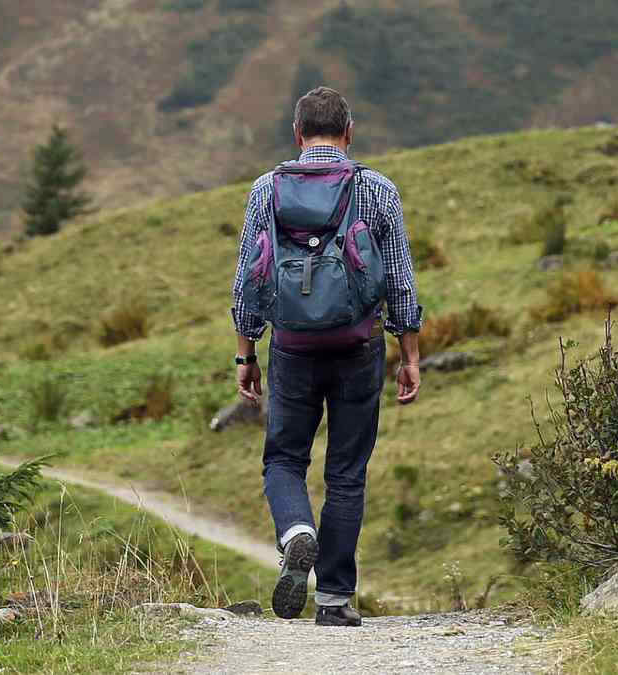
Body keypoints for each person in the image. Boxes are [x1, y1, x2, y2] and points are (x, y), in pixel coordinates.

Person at [230, 87, 422, 626]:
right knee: (347, 472)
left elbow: (248, 277)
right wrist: (410, 355)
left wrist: (246, 353)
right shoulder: (377, 190)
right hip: (359, 345)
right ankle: (334, 599)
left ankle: (296, 532)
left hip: (291, 346)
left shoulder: (266, 189)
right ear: (349, 132)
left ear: (297, 134)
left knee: (285, 458)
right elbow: (401, 282)